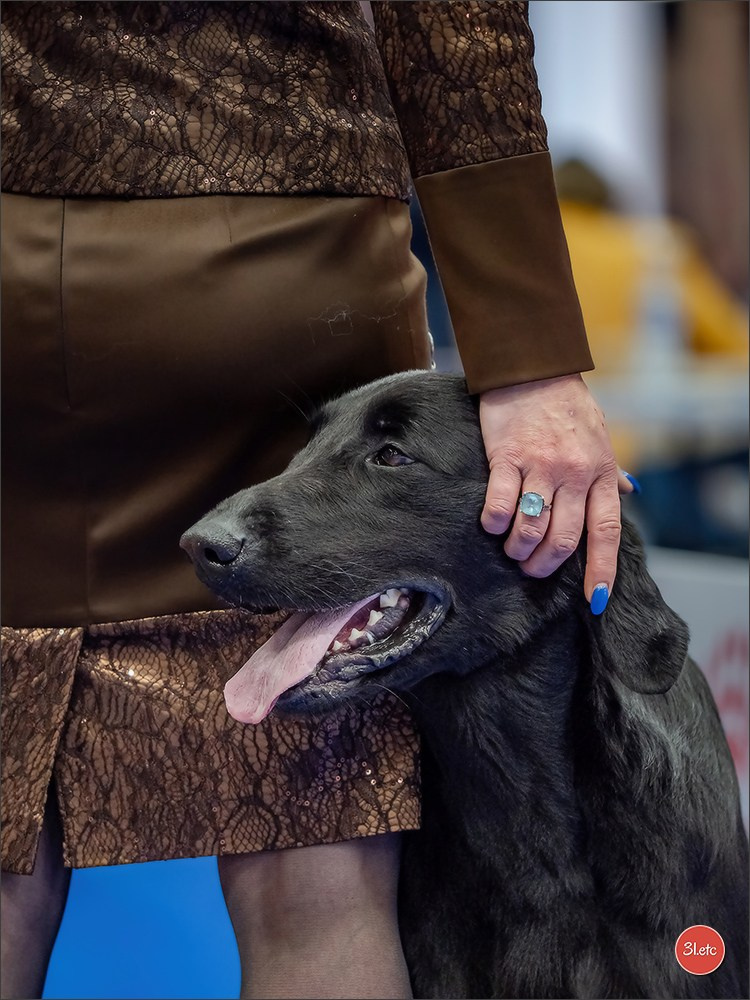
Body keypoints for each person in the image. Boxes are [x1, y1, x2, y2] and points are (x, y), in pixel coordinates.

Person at [0, 4, 630, 998]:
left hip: (18, 290)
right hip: (295, 278)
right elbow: (457, 34)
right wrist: (531, 356)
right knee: (314, 890)